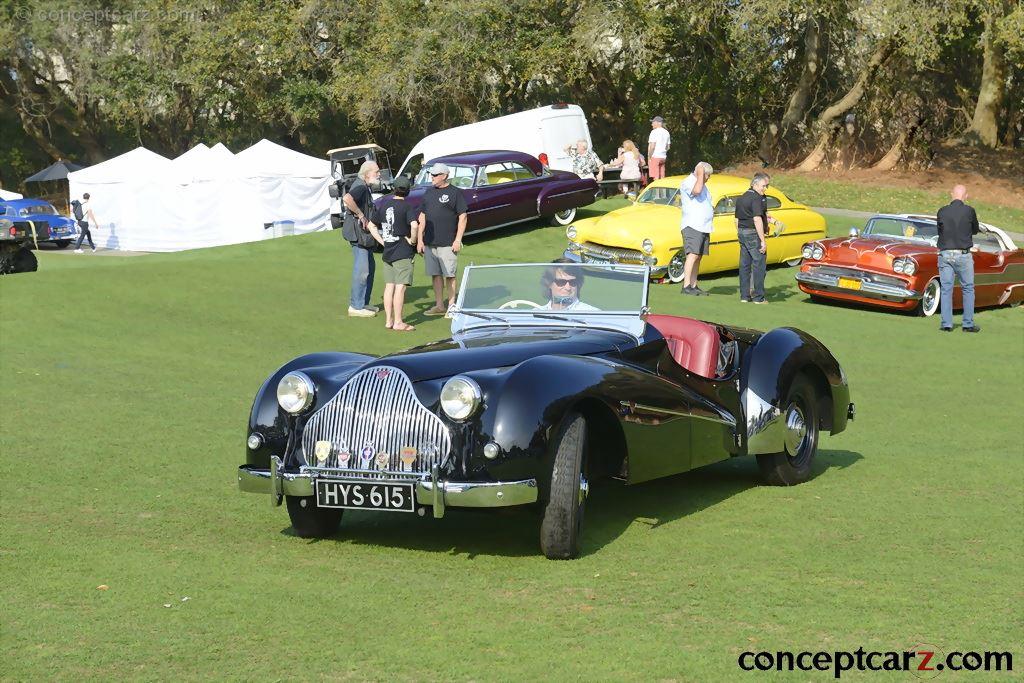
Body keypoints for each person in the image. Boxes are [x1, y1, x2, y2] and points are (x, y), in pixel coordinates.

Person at [368, 176, 419, 331]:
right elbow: (415, 226)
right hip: (403, 252)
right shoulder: (407, 207)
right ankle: (398, 322)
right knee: (400, 287)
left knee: (389, 286)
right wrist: (413, 241)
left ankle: (389, 321)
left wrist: (383, 241)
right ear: (408, 191)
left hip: (388, 252)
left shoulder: (384, 204)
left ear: (393, 189)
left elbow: (371, 225)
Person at [417, 162, 468, 317]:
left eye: (434, 175)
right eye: (431, 174)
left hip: (448, 243)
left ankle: (451, 306)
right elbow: (422, 217)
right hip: (430, 243)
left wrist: (458, 240)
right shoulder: (428, 193)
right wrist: (420, 240)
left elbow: (463, 216)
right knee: (435, 274)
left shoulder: (455, 193)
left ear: (444, 176)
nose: (431, 177)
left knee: (449, 275)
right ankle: (439, 306)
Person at [936, 184, 981, 333]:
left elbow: (940, 231)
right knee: (968, 288)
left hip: (946, 254)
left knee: (946, 289)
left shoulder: (942, 211)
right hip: (963, 254)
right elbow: (975, 230)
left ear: (951, 194)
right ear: (965, 196)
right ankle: (967, 324)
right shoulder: (969, 211)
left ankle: (946, 324)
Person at [734, 172, 783, 304]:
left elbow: (736, 220)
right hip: (752, 233)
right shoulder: (756, 198)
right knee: (759, 265)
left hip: (742, 232)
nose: (765, 188)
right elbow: (757, 219)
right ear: (755, 185)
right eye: (763, 186)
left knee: (744, 265)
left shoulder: (742, 197)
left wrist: (740, 234)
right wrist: (762, 241)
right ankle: (758, 297)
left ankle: (744, 296)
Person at [342, 161, 381, 317]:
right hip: (358, 235)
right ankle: (356, 306)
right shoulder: (360, 186)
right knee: (362, 270)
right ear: (367, 173)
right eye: (376, 171)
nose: (379, 174)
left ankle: (363, 303)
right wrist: (361, 215)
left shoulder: (365, 186)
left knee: (369, 268)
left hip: (363, 236)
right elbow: (347, 199)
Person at [679, 162, 715, 295]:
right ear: (701, 172)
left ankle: (694, 285)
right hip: (692, 225)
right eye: (707, 175)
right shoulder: (689, 182)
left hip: (704, 226)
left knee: (698, 256)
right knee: (692, 255)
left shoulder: (704, 185)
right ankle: (686, 285)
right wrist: (700, 173)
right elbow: (696, 191)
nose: (708, 178)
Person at [647, 116, 671, 180]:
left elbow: (652, 146)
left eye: (653, 122)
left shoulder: (654, 132)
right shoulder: (667, 132)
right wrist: (663, 151)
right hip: (663, 157)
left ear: (658, 123)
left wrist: (649, 156)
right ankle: (662, 189)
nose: (652, 124)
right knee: (662, 177)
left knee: (656, 177)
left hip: (655, 156)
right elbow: (668, 147)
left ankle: (656, 190)